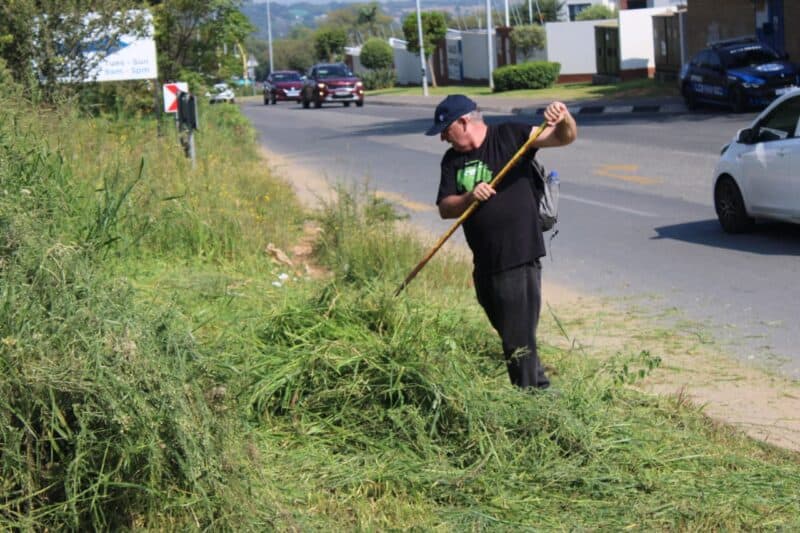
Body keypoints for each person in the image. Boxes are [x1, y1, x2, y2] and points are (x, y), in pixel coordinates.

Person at [426, 94, 577, 390]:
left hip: (519, 256)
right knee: (515, 336)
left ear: (463, 121)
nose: (443, 138)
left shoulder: (511, 136)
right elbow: (445, 207)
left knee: (517, 342)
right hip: (484, 262)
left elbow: (564, 137)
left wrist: (564, 117)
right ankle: (541, 393)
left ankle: (529, 401)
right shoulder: (453, 161)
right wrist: (470, 196)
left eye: (445, 130)